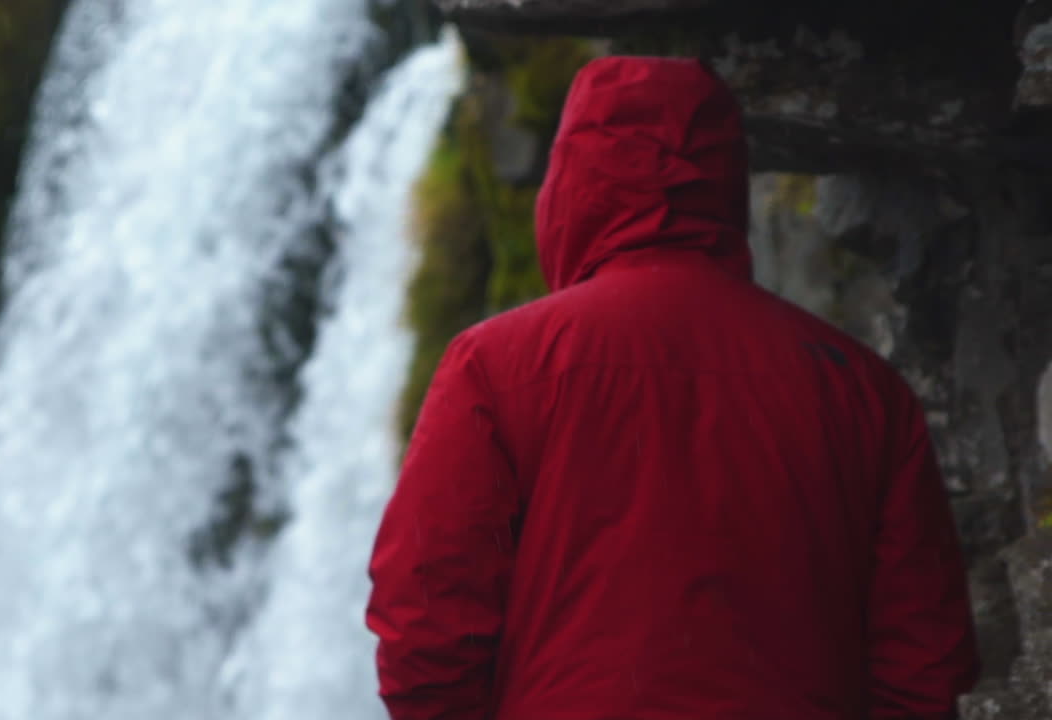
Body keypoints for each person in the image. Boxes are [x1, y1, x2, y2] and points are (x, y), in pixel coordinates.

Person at [365, 56, 980, 720]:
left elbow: (423, 621)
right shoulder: (863, 389)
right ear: (726, 185)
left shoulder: (495, 365)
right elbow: (924, 663)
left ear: (572, 184)